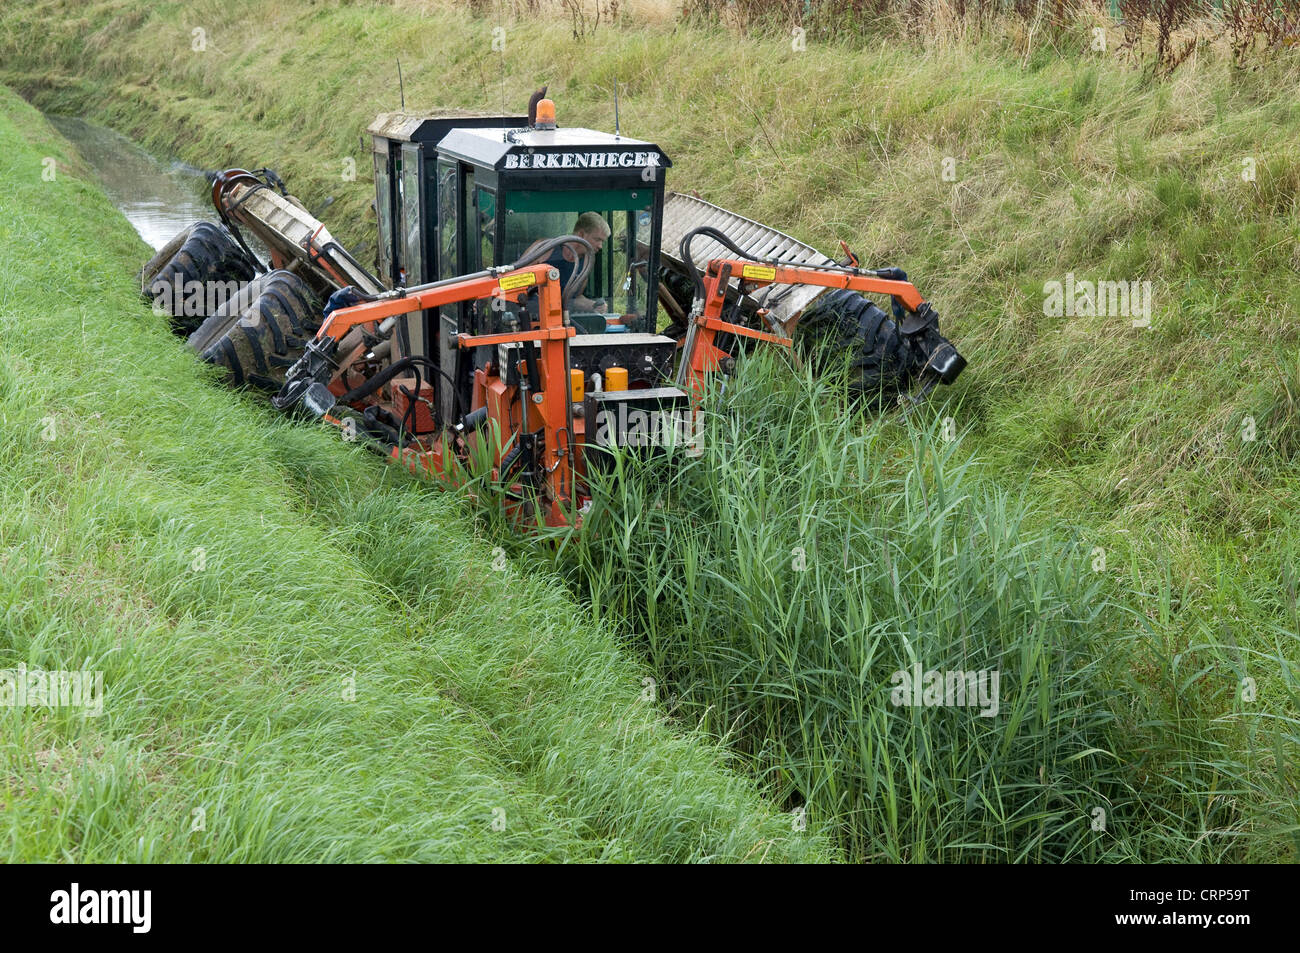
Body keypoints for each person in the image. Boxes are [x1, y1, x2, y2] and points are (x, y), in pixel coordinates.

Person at [543, 212, 610, 312]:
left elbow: (574, 298)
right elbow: (516, 277)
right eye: (597, 239)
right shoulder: (546, 248)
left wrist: (594, 306)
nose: (600, 246)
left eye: (602, 241)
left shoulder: (586, 262)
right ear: (581, 234)